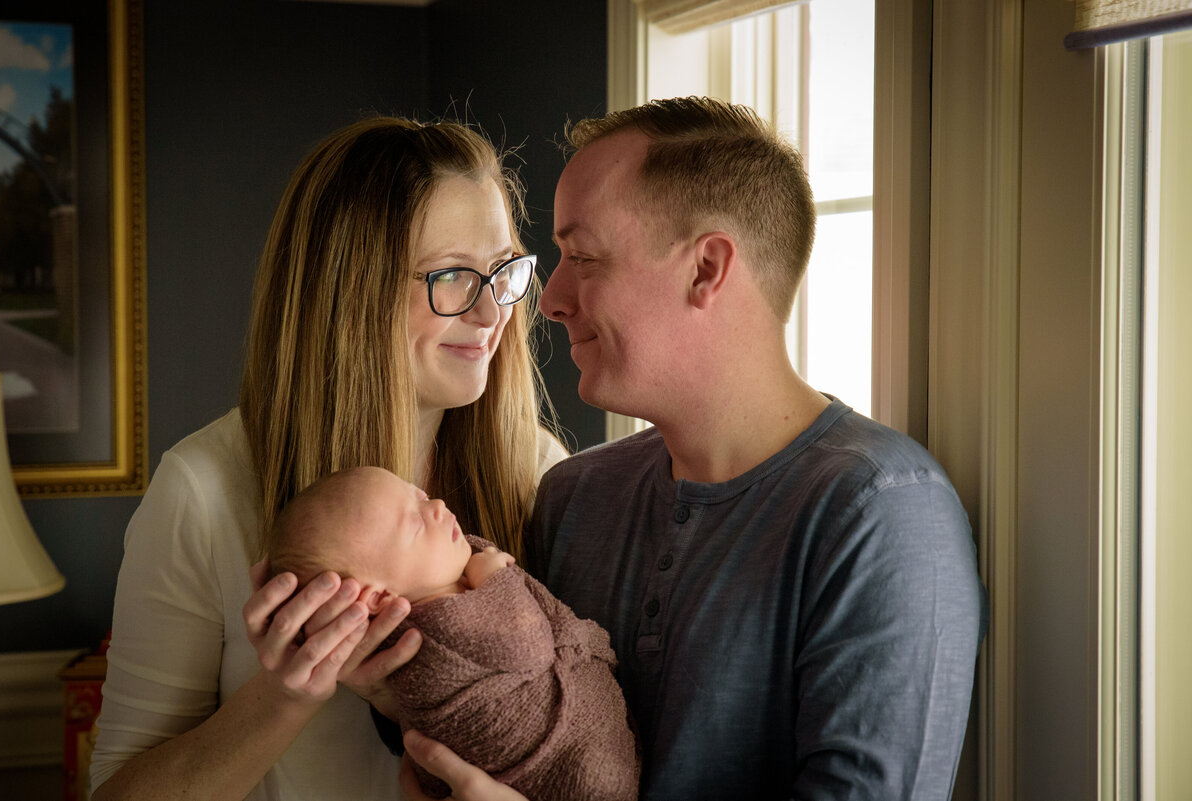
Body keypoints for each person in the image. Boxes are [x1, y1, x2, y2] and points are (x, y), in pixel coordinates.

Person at [398, 97, 987, 801]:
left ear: (707, 268)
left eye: (582, 256)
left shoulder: (883, 513)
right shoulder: (572, 496)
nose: (549, 298)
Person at [89, 115, 566, 801]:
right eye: (453, 275)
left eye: (502, 272)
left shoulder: (537, 471)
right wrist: (283, 697)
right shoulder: (204, 492)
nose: (493, 313)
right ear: (350, 290)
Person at [267, 465, 639, 801]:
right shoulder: (433, 632)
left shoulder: (449, 582)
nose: (438, 505)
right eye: (414, 522)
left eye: (422, 496)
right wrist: (494, 576)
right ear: (380, 597)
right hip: (573, 773)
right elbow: (528, 649)